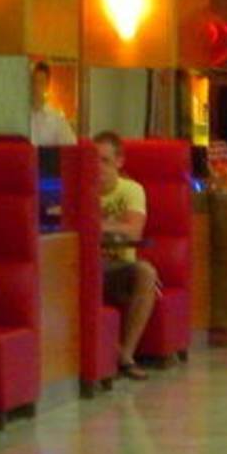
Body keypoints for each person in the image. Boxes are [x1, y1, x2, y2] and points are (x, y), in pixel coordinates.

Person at [94, 131, 157, 380]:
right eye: (94, 160)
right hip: (86, 265)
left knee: (146, 273)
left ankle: (126, 355)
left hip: (119, 266)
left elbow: (133, 230)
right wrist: (112, 225)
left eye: (105, 160)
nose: (98, 167)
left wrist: (97, 225)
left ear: (119, 162)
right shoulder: (79, 188)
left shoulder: (131, 190)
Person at [29, 61, 75, 147]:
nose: (36, 87)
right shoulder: (20, 117)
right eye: (33, 81)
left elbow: (71, 146)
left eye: (40, 82)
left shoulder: (56, 119)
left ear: (47, 85)